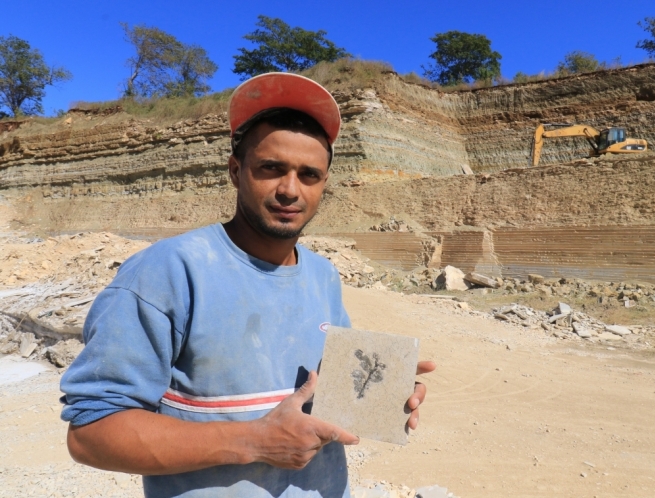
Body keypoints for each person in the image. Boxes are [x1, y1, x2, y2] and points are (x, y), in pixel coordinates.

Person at [59, 72, 436, 498]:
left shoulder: (323, 275)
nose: (290, 190)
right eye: (271, 168)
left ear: (324, 185)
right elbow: (91, 432)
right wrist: (254, 441)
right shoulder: (168, 270)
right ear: (236, 171)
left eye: (309, 175)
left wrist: (379, 390)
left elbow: (325, 398)